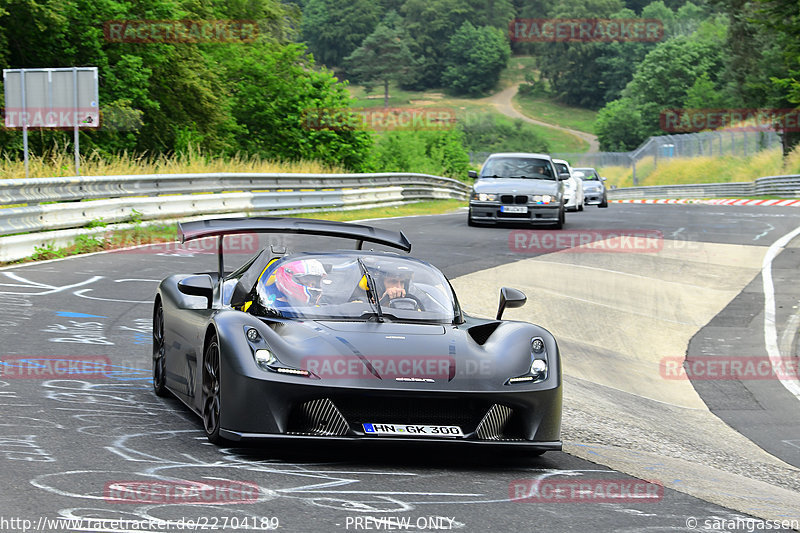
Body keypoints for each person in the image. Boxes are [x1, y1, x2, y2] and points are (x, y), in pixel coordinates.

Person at [260, 258, 327, 309]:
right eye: (307, 282)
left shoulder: (323, 305)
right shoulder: (269, 305)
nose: (312, 287)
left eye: (315, 283)